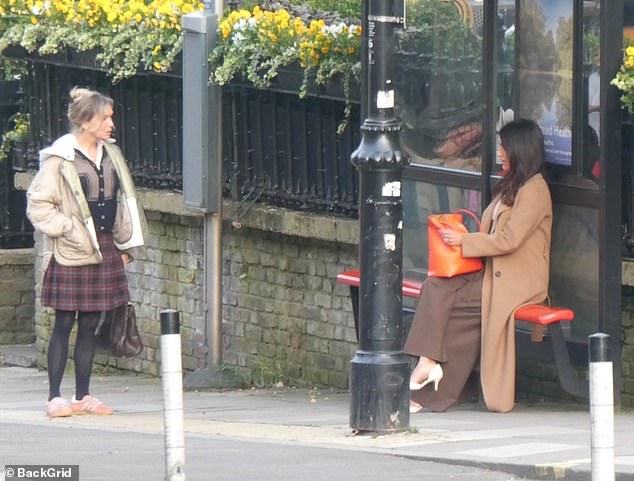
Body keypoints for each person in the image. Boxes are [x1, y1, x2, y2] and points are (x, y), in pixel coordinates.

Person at [405, 118, 552, 414]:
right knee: (436, 286)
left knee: (458, 314)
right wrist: (467, 240)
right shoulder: (512, 185)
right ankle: (427, 361)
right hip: (494, 272)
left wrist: (464, 241)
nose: (499, 152)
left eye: (503, 147)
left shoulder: (535, 190)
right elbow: (493, 233)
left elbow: (509, 240)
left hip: (518, 281)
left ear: (520, 150)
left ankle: (432, 394)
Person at [27, 87, 146, 417]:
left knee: (91, 324)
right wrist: (67, 229)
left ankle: (83, 395)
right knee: (65, 322)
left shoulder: (111, 154)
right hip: (73, 250)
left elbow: (122, 202)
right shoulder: (60, 159)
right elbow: (39, 205)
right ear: (85, 121)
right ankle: (54, 397)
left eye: (111, 117)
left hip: (105, 248)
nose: (111, 123)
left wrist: (125, 247)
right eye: (105, 117)